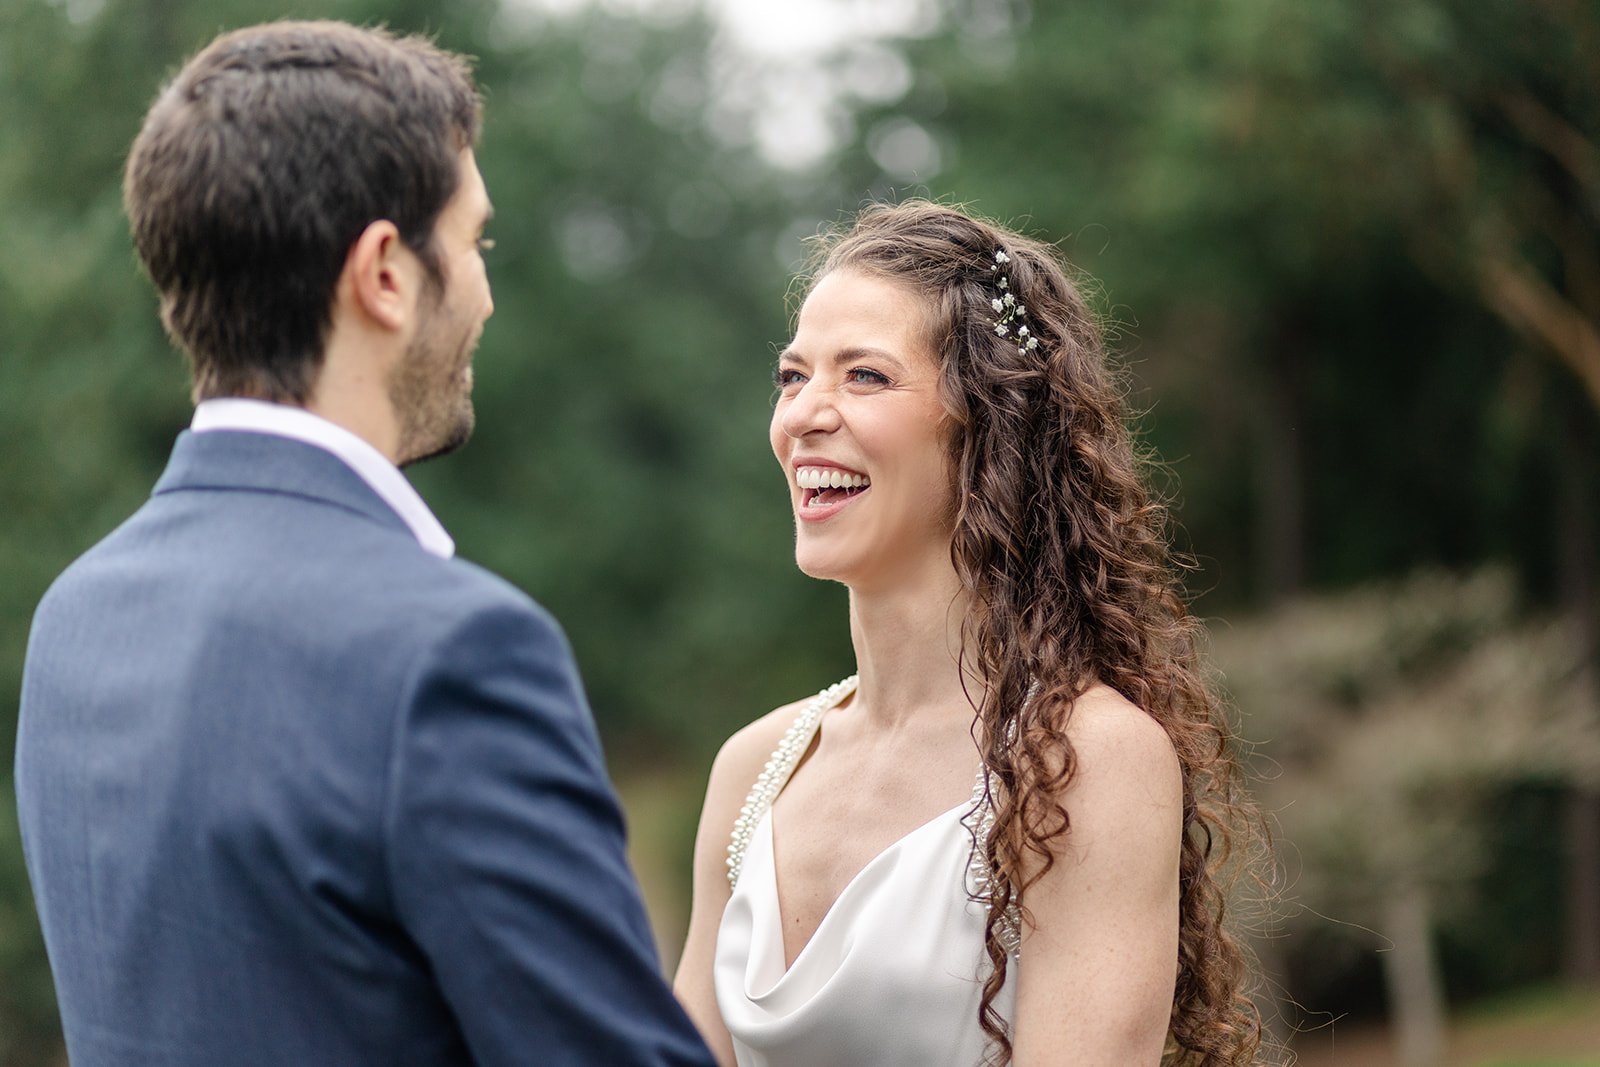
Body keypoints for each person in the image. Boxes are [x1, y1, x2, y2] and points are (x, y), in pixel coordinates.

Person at [14, 21, 714, 1067]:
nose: (484, 290)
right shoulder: (454, 652)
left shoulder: (77, 610)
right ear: (386, 271)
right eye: (475, 241)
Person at [674, 201, 1266, 1066]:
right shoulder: (753, 771)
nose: (804, 414)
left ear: (990, 424)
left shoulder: (1087, 758)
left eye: (864, 376)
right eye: (793, 375)